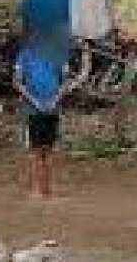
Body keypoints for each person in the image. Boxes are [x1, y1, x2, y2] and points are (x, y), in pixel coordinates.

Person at [14, 28, 90, 199]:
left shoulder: (58, 55)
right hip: (33, 109)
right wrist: (34, 100)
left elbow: (66, 81)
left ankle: (47, 187)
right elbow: (17, 82)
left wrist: (55, 99)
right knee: (35, 150)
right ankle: (35, 187)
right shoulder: (24, 55)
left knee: (48, 149)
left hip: (52, 108)